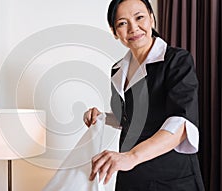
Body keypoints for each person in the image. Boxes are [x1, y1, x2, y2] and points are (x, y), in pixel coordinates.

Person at [83, 0, 205, 190]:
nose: (133, 28)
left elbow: (182, 124)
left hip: (171, 178)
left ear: (151, 18)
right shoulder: (117, 69)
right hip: (131, 176)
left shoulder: (176, 60)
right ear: (114, 32)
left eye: (139, 17)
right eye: (122, 23)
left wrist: (132, 157)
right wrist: (103, 117)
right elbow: (130, 119)